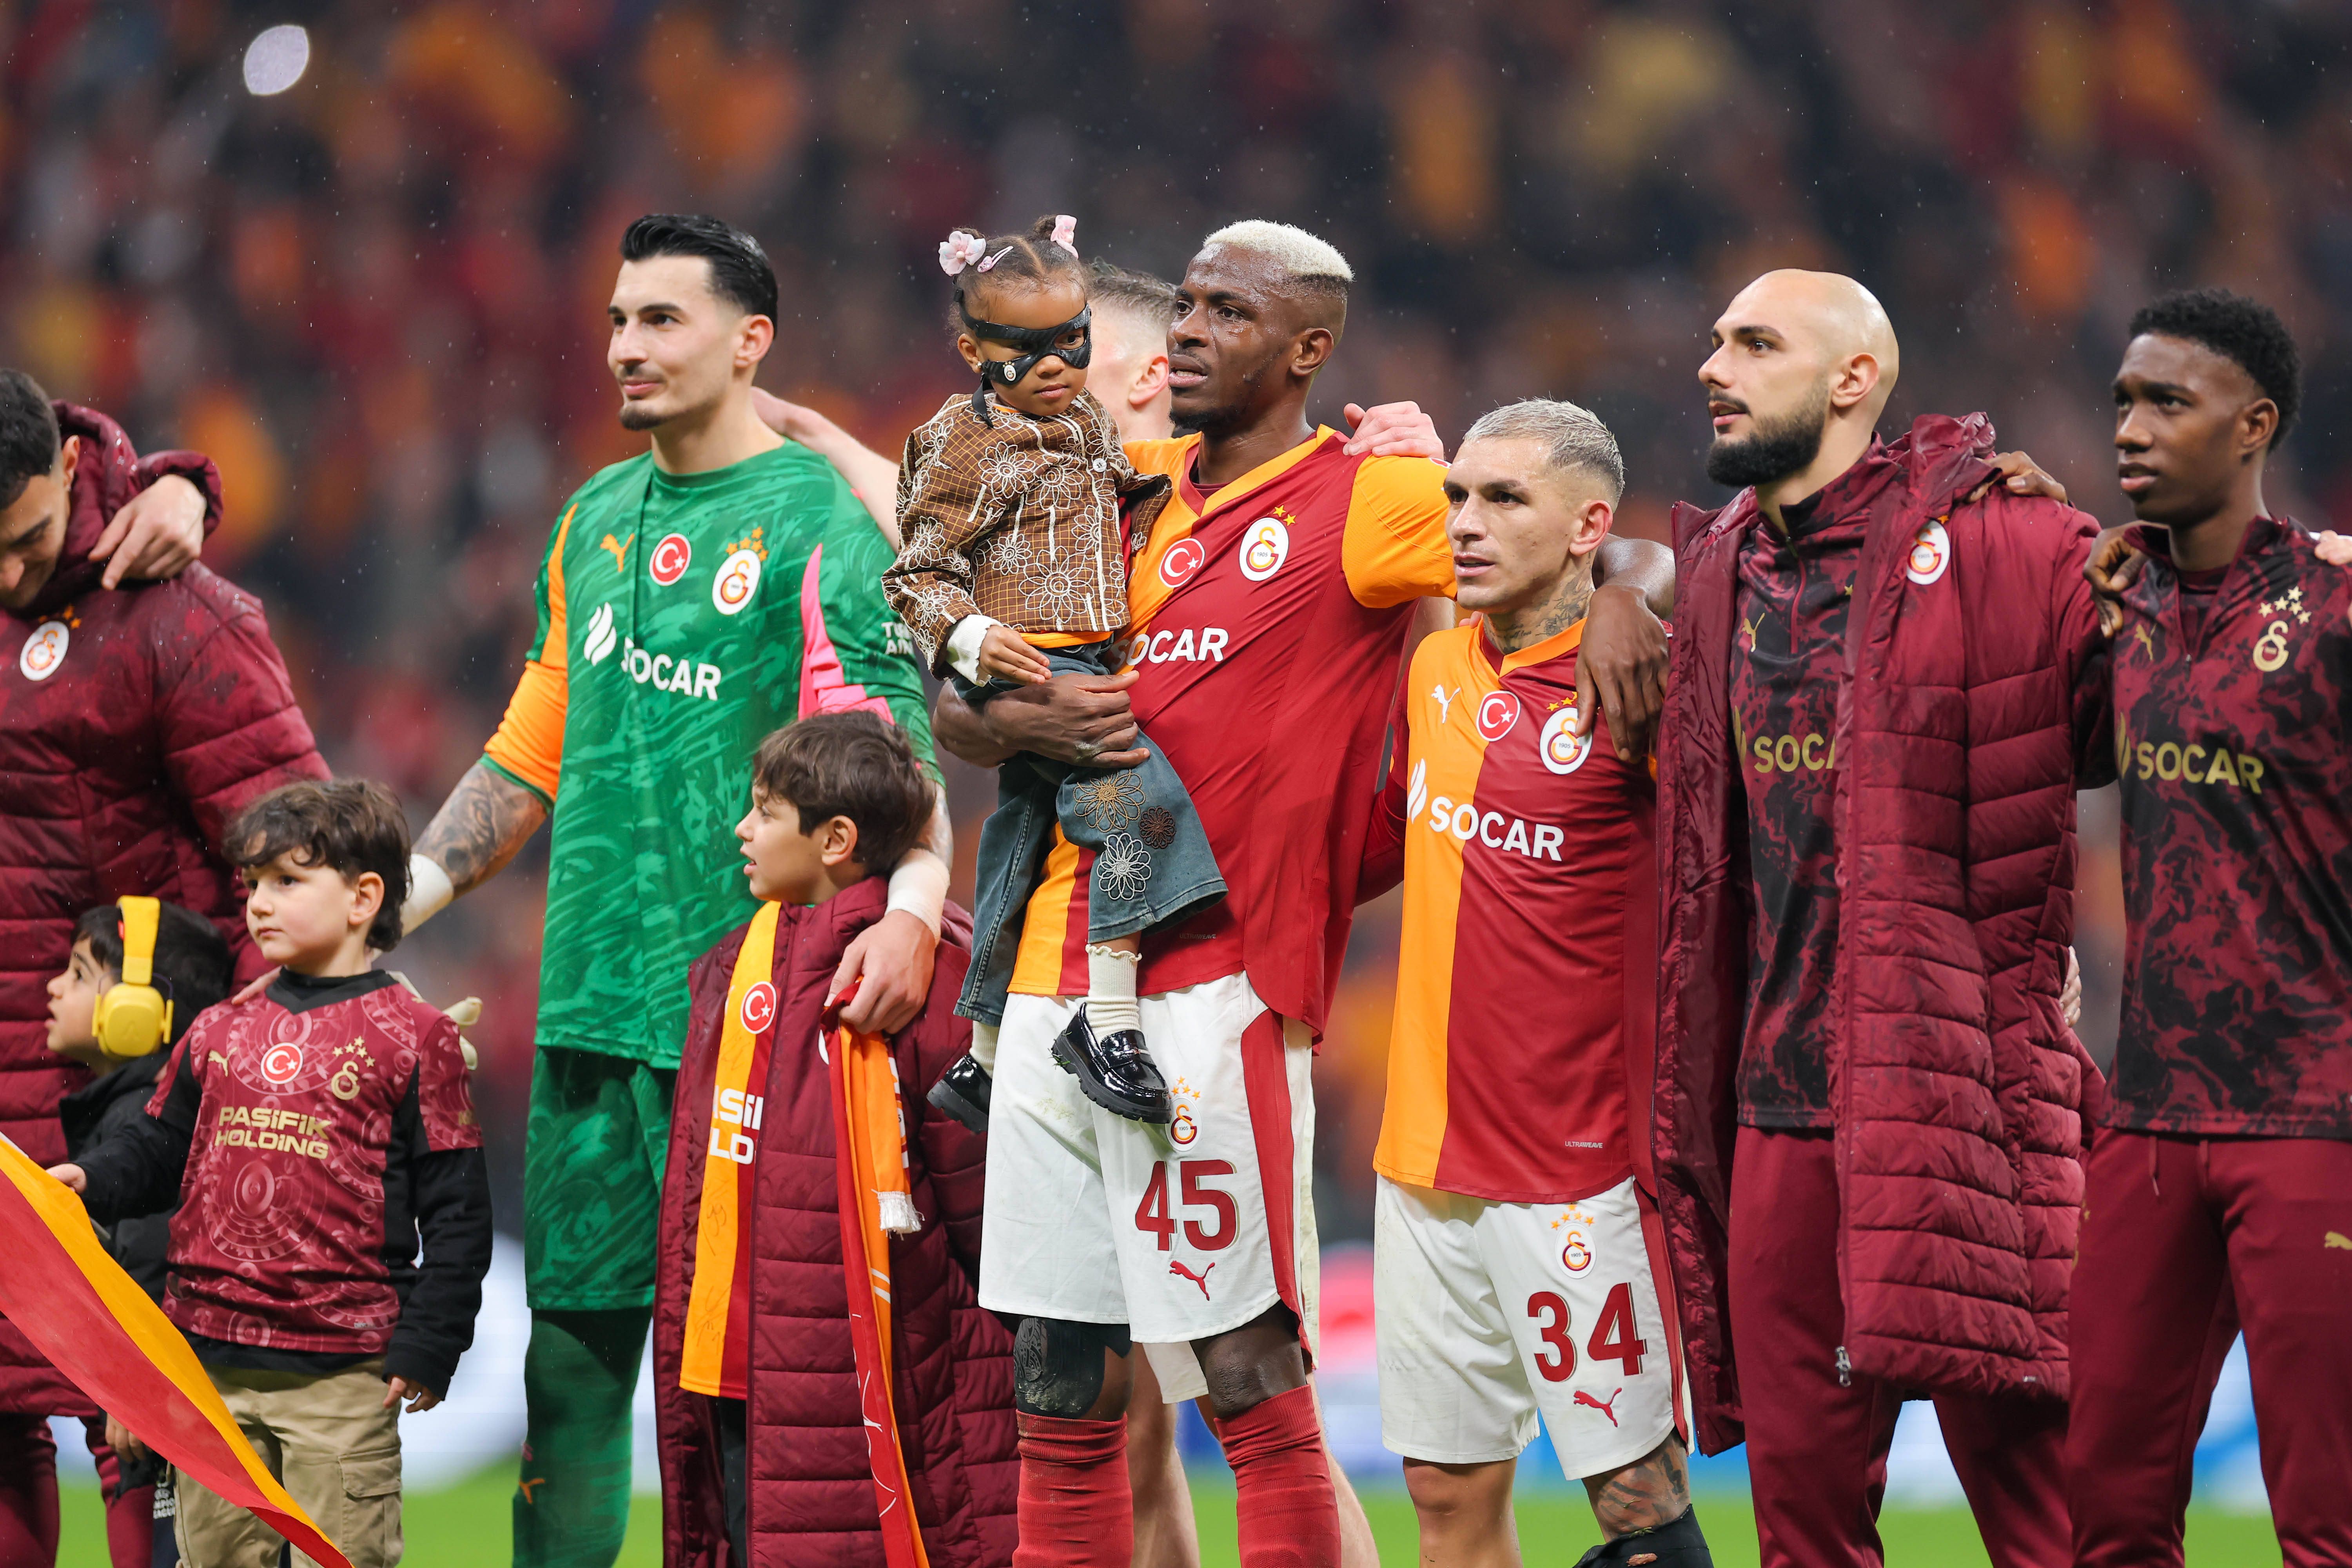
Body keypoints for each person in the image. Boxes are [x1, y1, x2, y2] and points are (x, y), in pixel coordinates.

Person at [929, 219, 1675, 1568]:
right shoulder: (1119, 494)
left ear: (1308, 351)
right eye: (1188, 304)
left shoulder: (1368, 498)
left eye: (1228, 311)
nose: (1190, 330)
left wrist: (1633, 587)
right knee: (1060, 1378)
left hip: (1212, 986)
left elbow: (1558, 532)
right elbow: (958, 700)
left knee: (1246, 1370)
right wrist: (1022, 719)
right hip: (1045, 977)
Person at [392, 213, 950, 1568]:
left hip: (750, 1026)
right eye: (617, 321)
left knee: (744, 1393)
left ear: (750, 342)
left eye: (661, 320)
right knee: (570, 1375)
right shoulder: (590, 516)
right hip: (588, 1011)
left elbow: (894, 764)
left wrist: (917, 907)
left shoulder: (820, 527)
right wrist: (392, 902)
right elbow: (533, 744)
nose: (625, 348)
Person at [1650, 270, 2103, 1568]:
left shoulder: (2012, 544)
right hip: (1779, 1114)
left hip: (1961, 1101)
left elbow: (2158, 688)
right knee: (1802, 1531)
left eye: (1756, 343)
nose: (1713, 366)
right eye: (1717, 340)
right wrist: (1625, 580)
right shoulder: (1716, 572)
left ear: (1854, 379)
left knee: (2054, 1520)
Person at [1359, 401, 1710, 1568]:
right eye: (1458, 495)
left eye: (1505, 499)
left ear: (1587, 527)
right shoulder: (1436, 664)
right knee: (1446, 1494)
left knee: (1638, 1507)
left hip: (1575, 1172)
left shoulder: (1640, 684)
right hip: (1422, 1159)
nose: (1465, 523)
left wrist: (1632, 591)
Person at [0, 368, 327, 1568]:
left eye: (27, 539)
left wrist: (257, 1080)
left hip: (137, 1098)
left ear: (68, 468)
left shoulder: (184, 618)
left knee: (138, 1419)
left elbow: (299, 869)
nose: (7, 575)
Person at [2065, 289, 2352, 1568]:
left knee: (2327, 1517)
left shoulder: (2338, 606)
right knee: (2108, 1502)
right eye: (2125, 401)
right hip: (2152, 1119)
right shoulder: (2112, 601)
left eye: (2168, 403)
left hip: (2316, 1113)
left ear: (2255, 425)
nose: (2132, 428)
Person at [54, 780, 494, 1568]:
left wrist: (434, 1340)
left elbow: (457, 1211)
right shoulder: (217, 1029)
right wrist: (93, 1178)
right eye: (254, 882)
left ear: (364, 897)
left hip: (343, 1374)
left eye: (288, 880)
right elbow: (158, 1147)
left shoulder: (415, 1037)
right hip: (209, 1365)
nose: (259, 902)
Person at [652, 711, 1015, 1566]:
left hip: (882, 1380)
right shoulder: (728, 970)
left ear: (836, 840)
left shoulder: (928, 977)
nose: (742, 829)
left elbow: (988, 1218)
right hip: (731, 1377)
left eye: (766, 811)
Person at [887, 214, 1225, 1132]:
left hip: (1082, 651)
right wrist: (970, 640)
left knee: (1018, 839)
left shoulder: (1087, 427)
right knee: (1145, 809)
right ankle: (1110, 1025)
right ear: (974, 351)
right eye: (1026, 349)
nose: (1055, 366)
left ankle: (982, 1050)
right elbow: (915, 572)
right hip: (1034, 653)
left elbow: (1129, 478)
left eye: (1072, 343)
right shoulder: (963, 441)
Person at [46, 897, 234, 1568]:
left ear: (140, 1011)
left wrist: (140, 1391)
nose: (53, 988)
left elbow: (154, 1271)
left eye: (77, 973)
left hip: (162, 1423)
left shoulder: (142, 1127)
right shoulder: (123, 1114)